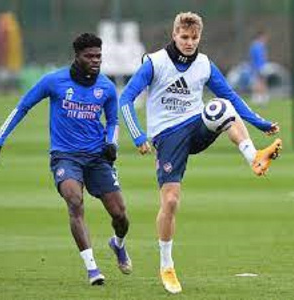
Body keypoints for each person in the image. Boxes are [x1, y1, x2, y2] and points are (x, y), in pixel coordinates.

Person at [119, 12, 282, 294]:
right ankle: (166, 265)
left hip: (195, 127)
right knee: (170, 202)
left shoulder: (205, 64)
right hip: (167, 136)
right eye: (184, 37)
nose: (189, 42)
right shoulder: (154, 62)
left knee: (220, 106)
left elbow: (231, 96)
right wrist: (137, 135)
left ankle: (254, 157)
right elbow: (125, 99)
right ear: (174, 35)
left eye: (194, 38)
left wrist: (260, 122)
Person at [0, 33, 132, 285]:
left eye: (98, 56)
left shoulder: (107, 88)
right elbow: (22, 107)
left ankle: (118, 244)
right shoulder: (53, 81)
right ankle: (92, 269)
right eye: (89, 56)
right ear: (77, 56)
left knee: (120, 215)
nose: (95, 60)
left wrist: (111, 142)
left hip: (97, 158)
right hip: (65, 157)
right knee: (74, 200)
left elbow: (112, 121)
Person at [249, 30, 269, 105]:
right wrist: (257, 67)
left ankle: (261, 97)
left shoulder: (260, 46)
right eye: (264, 37)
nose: (265, 39)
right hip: (258, 67)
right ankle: (258, 97)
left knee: (261, 81)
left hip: (261, 66)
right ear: (260, 37)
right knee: (258, 82)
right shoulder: (256, 46)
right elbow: (255, 58)